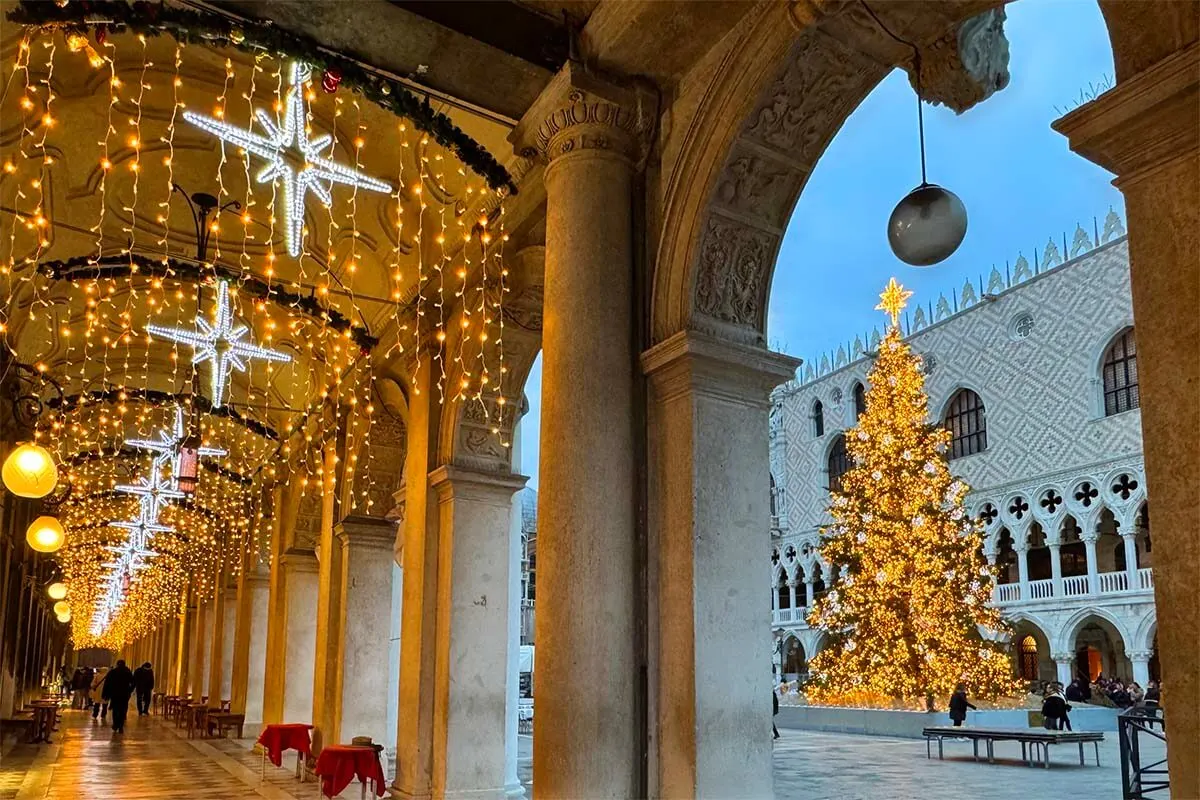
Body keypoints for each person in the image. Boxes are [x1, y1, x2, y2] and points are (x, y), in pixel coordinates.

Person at [102, 660, 136, 734]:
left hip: (115, 694)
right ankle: (120, 726)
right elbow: (133, 682)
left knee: (115, 709)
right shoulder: (128, 672)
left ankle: (115, 724)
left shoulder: (113, 672)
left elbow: (107, 683)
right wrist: (130, 690)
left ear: (117, 664)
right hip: (124, 694)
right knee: (122, 710)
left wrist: (105, 694)